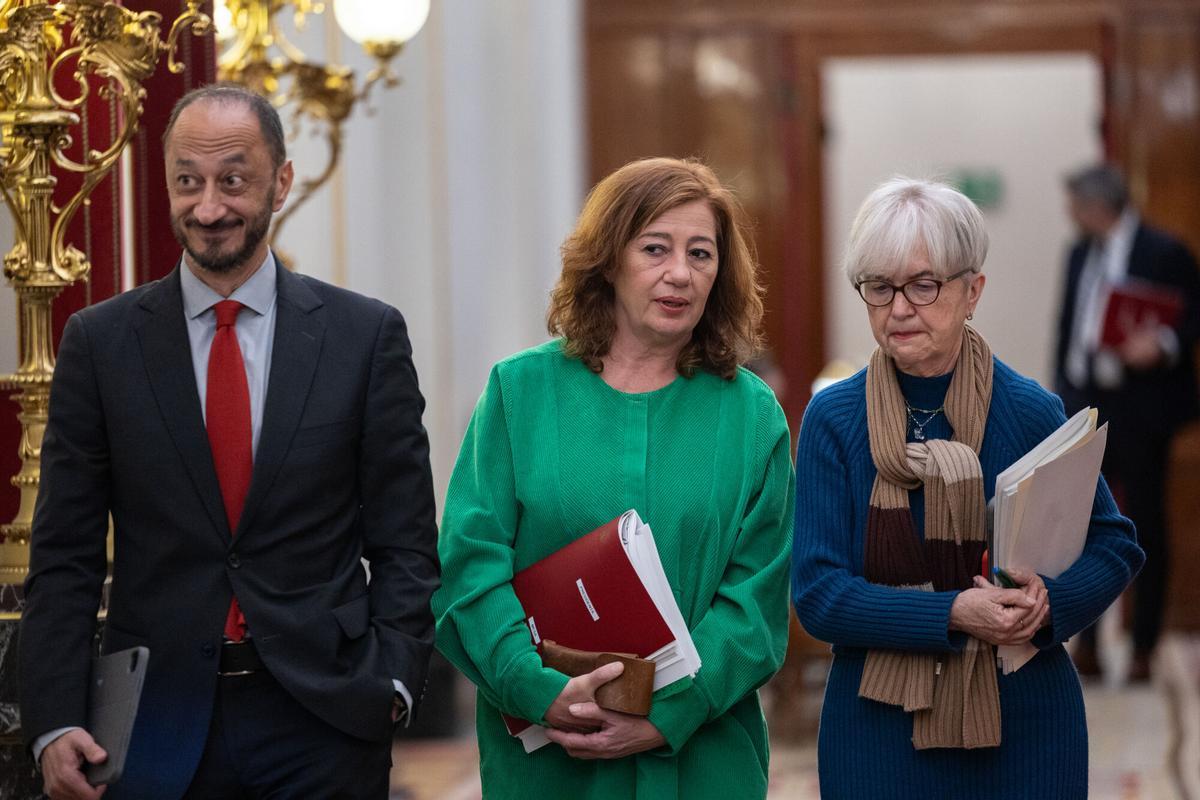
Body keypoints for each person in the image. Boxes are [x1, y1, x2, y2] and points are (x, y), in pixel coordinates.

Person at [19, 84, 440, 800]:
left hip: (325, 720)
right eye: (188, 181)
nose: (209, 207)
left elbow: (405, 543)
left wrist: (392, 683)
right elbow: (64, 556)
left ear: (281, 180)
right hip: (153, 728)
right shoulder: (101, 344)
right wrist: (53, 721)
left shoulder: (364, 338)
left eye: (233, 180)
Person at [432, 157, 795, 798]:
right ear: (608, 259)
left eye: (701, 253)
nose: (680, 273)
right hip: (549, 763)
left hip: (702, 762)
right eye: (655, 248)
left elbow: (755, 601)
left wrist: (665, 714)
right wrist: (535, 688)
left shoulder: (751, 413)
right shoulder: (519, 392)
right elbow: (471, 564)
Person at [792, 177, 1143, 798]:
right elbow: (819, 595)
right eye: (879, 286)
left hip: (1024, 725)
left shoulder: (1031, 410)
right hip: (877, 731)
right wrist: (954, 613)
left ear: (972, 290)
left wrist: (1048, 605)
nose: (900, 308)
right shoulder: (833, 419)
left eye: (924, 285)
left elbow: (1115, 545)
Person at [1054, 164, 1200, 681]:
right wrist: (1060, 402)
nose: (1070, 213)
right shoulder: (1078, 253)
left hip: (1143, 408)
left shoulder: (1164, 251)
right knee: (1080, 526)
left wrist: (1160, 346)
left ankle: (1142, 645)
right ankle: (1088, 642)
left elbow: (1191, 316)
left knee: (1143, 527)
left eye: (1075, 203)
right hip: (1086, 404)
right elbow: (1068, 331)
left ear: (1101, 205)